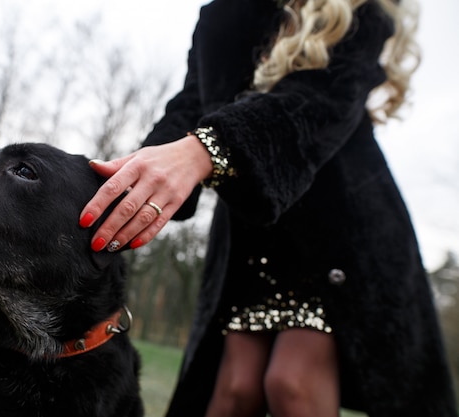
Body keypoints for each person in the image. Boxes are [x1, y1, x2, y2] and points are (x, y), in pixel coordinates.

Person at [78, 0, 457, 416]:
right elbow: (190, 107)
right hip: (253, 244)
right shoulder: (224, 14)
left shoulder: (359, 13)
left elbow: (311, 108)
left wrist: (209, 148)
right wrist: (119, 183)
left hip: (338, 239)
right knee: (234, 391)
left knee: (291, 384)